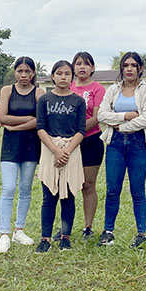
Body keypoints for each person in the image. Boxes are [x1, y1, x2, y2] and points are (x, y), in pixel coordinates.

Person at [97, 52, 146, 248]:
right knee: (112, 189)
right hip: (115, 144)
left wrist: (121, 125)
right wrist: (127, 116)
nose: (129, 69)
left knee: (137, 190)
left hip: (139, 144)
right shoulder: (113, 90)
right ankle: (108, 232)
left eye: (133, 65)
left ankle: (141, 233)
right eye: (126, 65)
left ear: (140, 68)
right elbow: (102, 115)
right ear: (121, 68)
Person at [0, 57, 44, 253]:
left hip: (30, 145)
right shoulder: (7, 90)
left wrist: (14, 128)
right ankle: (4, 234)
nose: (24, 75)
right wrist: (27, 119)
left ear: (33, 73)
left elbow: (39, 120)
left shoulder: (39, 92)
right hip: (10, 147)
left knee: (25, 189)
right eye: (20, 71)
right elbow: (2, 117)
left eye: (28, 71)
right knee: (8, 189)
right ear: (15, 72)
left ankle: (19, 230)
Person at [35, 60, 86, 253]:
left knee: (69, 196)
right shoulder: (45, 100)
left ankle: (65, 237)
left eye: (67, 73)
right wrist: (56, 151)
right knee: (49, 197)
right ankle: (45, 238)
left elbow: (81, 130)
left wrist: (67, 151)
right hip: (50, 149)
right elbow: (40, 127)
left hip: (71, 150)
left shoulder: (78, 101)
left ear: (72, 77)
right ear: (53, 76)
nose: (63, 77)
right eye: (59, 73)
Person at [69, 51, 106, 241]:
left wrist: (78, 134)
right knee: (66, 186)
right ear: (73, 67)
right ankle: (65, 227)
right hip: (66, 144)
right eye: (78, 63)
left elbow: (96, 117)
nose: (82, 67)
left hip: (91, 141)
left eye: (86, 64)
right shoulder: (67, 86)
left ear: (92, 68)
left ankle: (87, 227)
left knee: (87, 185)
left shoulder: (98, 89)